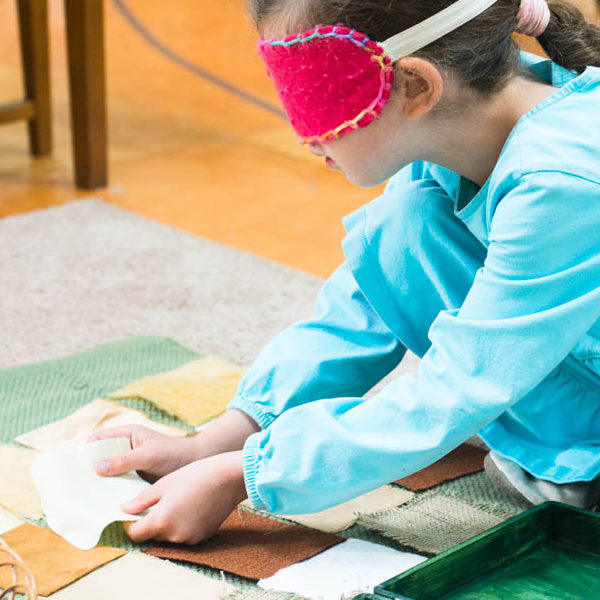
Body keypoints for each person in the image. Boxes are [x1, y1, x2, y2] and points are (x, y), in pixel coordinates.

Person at [91, 0, 600, 544]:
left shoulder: (563, 180)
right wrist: (222, 441)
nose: (302, 133)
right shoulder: (466, 123)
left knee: (472, 414)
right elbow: (360, 307)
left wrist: (245, 475)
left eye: (314, 93)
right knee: (405, 221)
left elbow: (463, 380)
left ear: (415, 86)